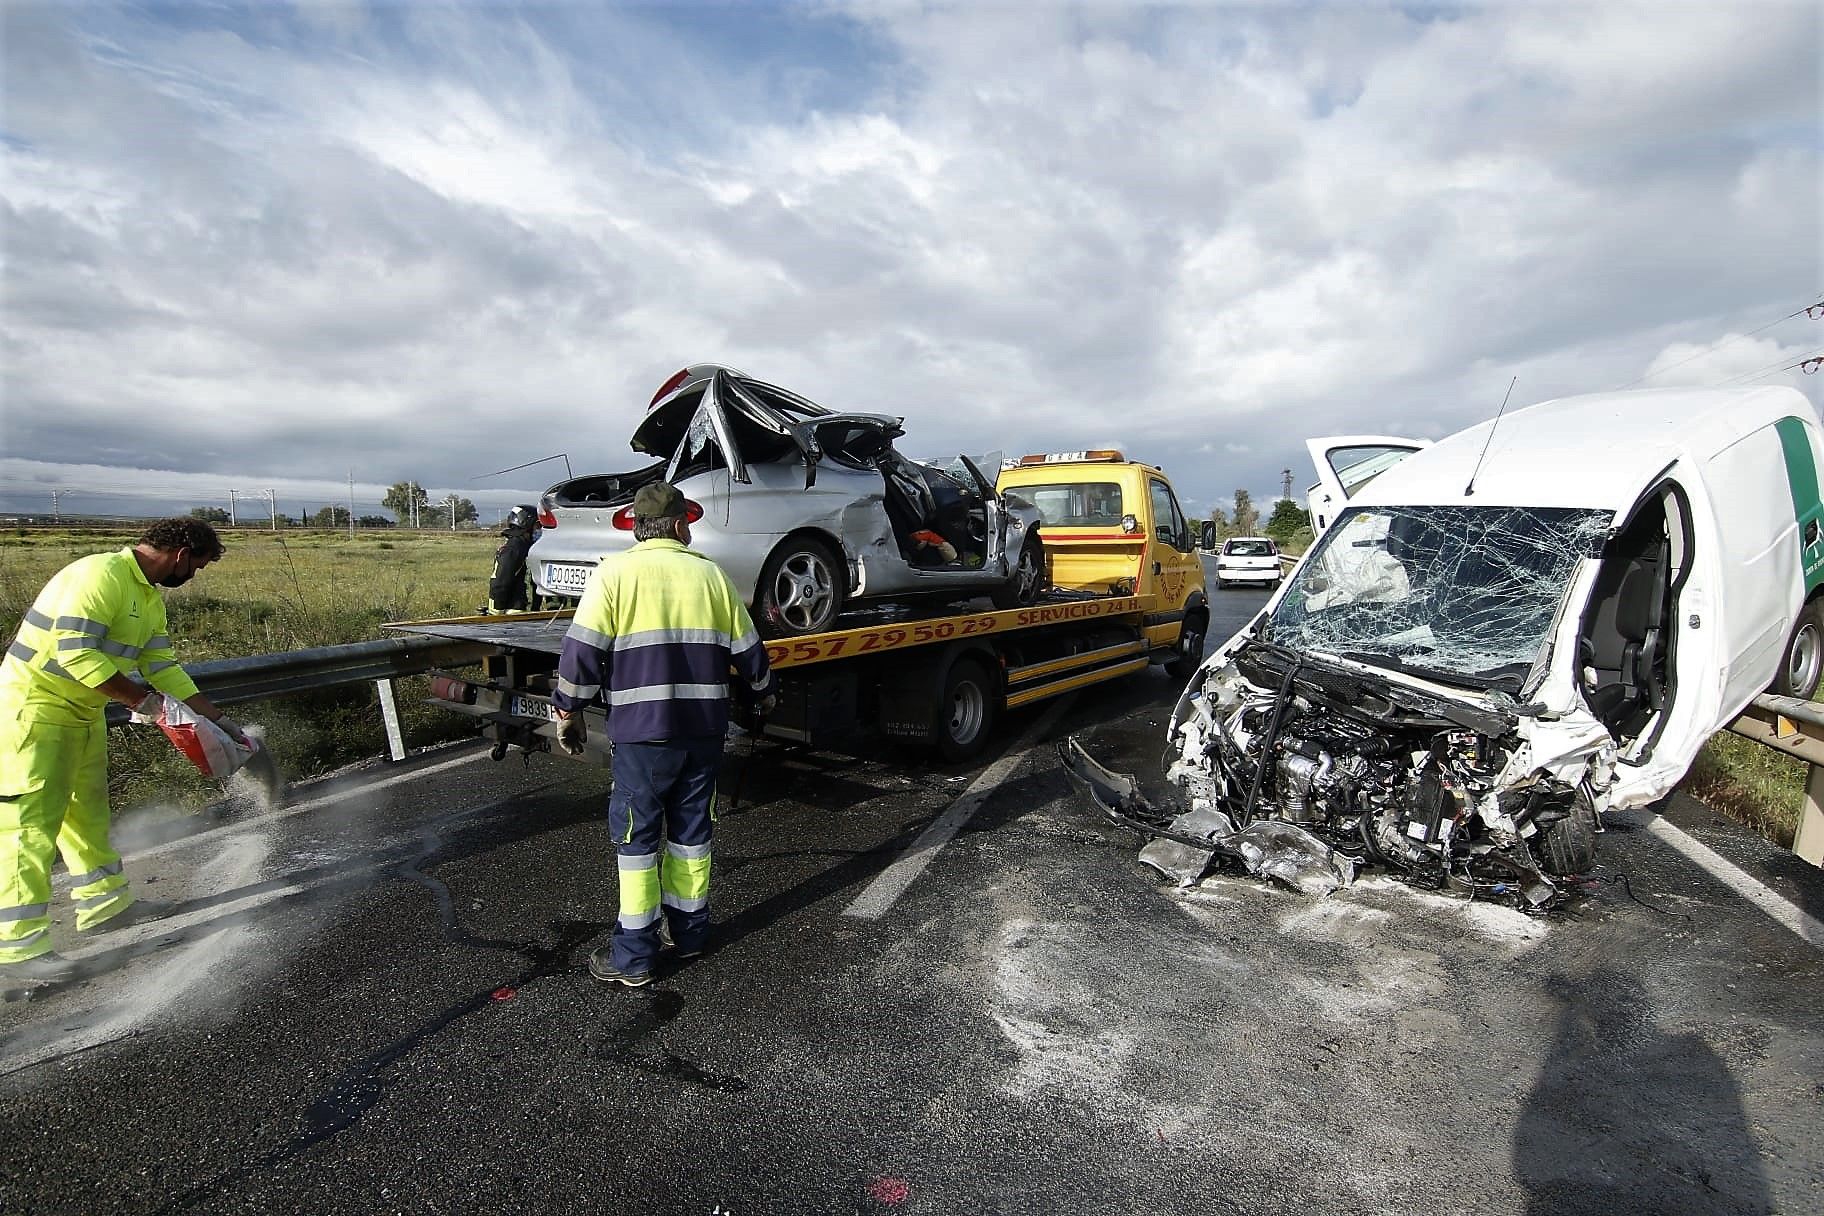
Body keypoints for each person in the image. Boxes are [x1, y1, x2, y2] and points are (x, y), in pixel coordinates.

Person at [1, 517, 246, 983]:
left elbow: (162, 666)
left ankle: (105, 907)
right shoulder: (99, 576)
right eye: (196, 565)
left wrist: (216, 718)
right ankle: (19, 951)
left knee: (87, 815)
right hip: (35, 713)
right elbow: (77, 653)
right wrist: (146, 704)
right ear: (179, 554)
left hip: (82, 714)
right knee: (28, 827)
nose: (193, 576)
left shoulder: (148, 597)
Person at [551, 482, 775, 988]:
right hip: (703, 733)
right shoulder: (712, 577)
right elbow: (749, 651)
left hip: (641, 738)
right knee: (693, 837)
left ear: (636, 526)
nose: (691, 529)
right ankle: (690, 935)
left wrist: (568, 711)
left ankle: (634, 957)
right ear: (677, 525)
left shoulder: (614, 575)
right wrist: (764, 693)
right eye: (688, 522)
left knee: (637, 843)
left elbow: (581, 654)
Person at [484, 505, 540, 614]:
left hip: (523, 610)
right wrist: (496, 610)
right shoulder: (514, 548)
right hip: (512, 611)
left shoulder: (524, 546)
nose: (539, 530)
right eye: (537, 526)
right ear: (526, 524)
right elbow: (500, 581)